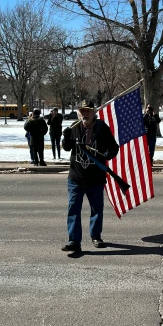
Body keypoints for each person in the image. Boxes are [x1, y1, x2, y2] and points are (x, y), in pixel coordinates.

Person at [61, 100, 119, 253]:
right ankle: (74, 240)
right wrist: (65, 138)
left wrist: (107, 154)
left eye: (88, 111)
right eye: (82, 111)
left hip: (95, 178)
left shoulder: (102, 128)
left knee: (96, 209)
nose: (85, 114)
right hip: (76, 177)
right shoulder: (74, 127)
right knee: (73, 209)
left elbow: (114, 148)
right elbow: (67, 148)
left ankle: (96, 236)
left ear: (94, 113)